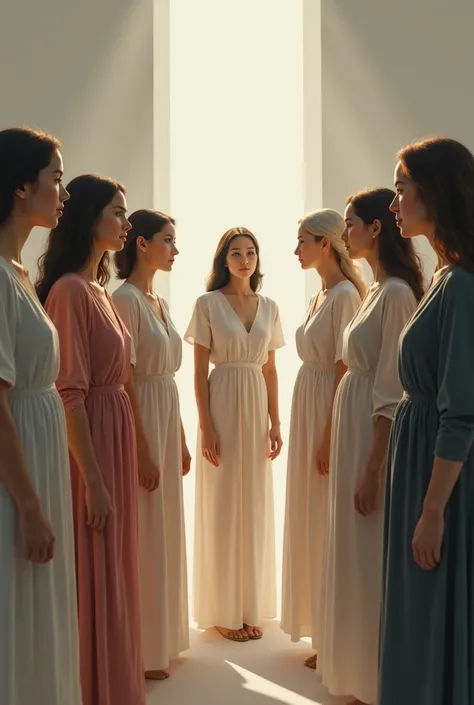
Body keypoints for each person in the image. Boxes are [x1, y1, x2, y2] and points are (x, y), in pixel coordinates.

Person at [36, 174, 146, 705]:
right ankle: (94, 688)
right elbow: (70, 393)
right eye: (118, 212)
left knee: (116, 564)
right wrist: (95, 483)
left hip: (113, 433)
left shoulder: (97, 288)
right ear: (89, 217)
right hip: (93, 446)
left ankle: (116, 682)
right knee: (95, 565)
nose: (126, 223)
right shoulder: (70, 291)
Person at [316, 188, 424, 705]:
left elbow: (392, 388)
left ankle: (373, 679)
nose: (345, 233)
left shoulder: (398, 293)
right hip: (353, 422)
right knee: (353, 548)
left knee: (367, 550)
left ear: (376, 228)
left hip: (370, 432)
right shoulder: (377, 290)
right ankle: (355, 673)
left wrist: (373, 467)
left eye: (351, 223)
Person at [379, 138, 474, 705]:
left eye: (400, 188)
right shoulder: (444, 276)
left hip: (438, 477)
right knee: (417, 609)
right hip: (419, 462)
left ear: (433, 192)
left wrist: (434, 510)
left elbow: (461, 411)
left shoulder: (461, 284)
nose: (394, 204)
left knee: (428, 609)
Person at [0, 127, 82, 705]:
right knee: (19, 608)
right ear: (21, 185)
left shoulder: (20, 274)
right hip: (17, 473)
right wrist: (28, 505)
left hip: (37, 456)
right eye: (56, 178)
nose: (63, 191)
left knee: (38, 603)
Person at [185, 227, 284, 642]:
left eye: (250, 253)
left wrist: (276, 422)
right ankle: (222, 610)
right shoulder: (208, 304)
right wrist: (206, 426)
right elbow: (198, 371)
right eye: (236, 253)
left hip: (255, 407)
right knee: (223, 505)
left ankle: (248, 607)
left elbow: (270, 369)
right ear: (223, 260)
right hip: (223, 405)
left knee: (253, 505)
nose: (245, 260)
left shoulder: (270, 306)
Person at [280, 208, 364, 668]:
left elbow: (344, 366)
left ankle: (333, 634)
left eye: (301, 241)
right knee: (311, 513)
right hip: (308, 402)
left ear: (324, 243)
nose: (296, 250)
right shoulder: (323, 295)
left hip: (325, 408)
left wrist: (330, 431)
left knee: (325, 515)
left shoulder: (347, 295)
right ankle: (320, 628)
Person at [112, 209, 190, 679]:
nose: (175, 250)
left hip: (165, 416)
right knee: (144, 528)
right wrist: (141, 447)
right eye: (168, 240)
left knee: (163, 526)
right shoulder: (123, 299)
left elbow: (166, 378)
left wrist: (178, 437)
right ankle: (140, 650)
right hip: (142, 420)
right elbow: (127, 379)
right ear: (141, 244)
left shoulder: (156, 301)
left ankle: (162, 638)